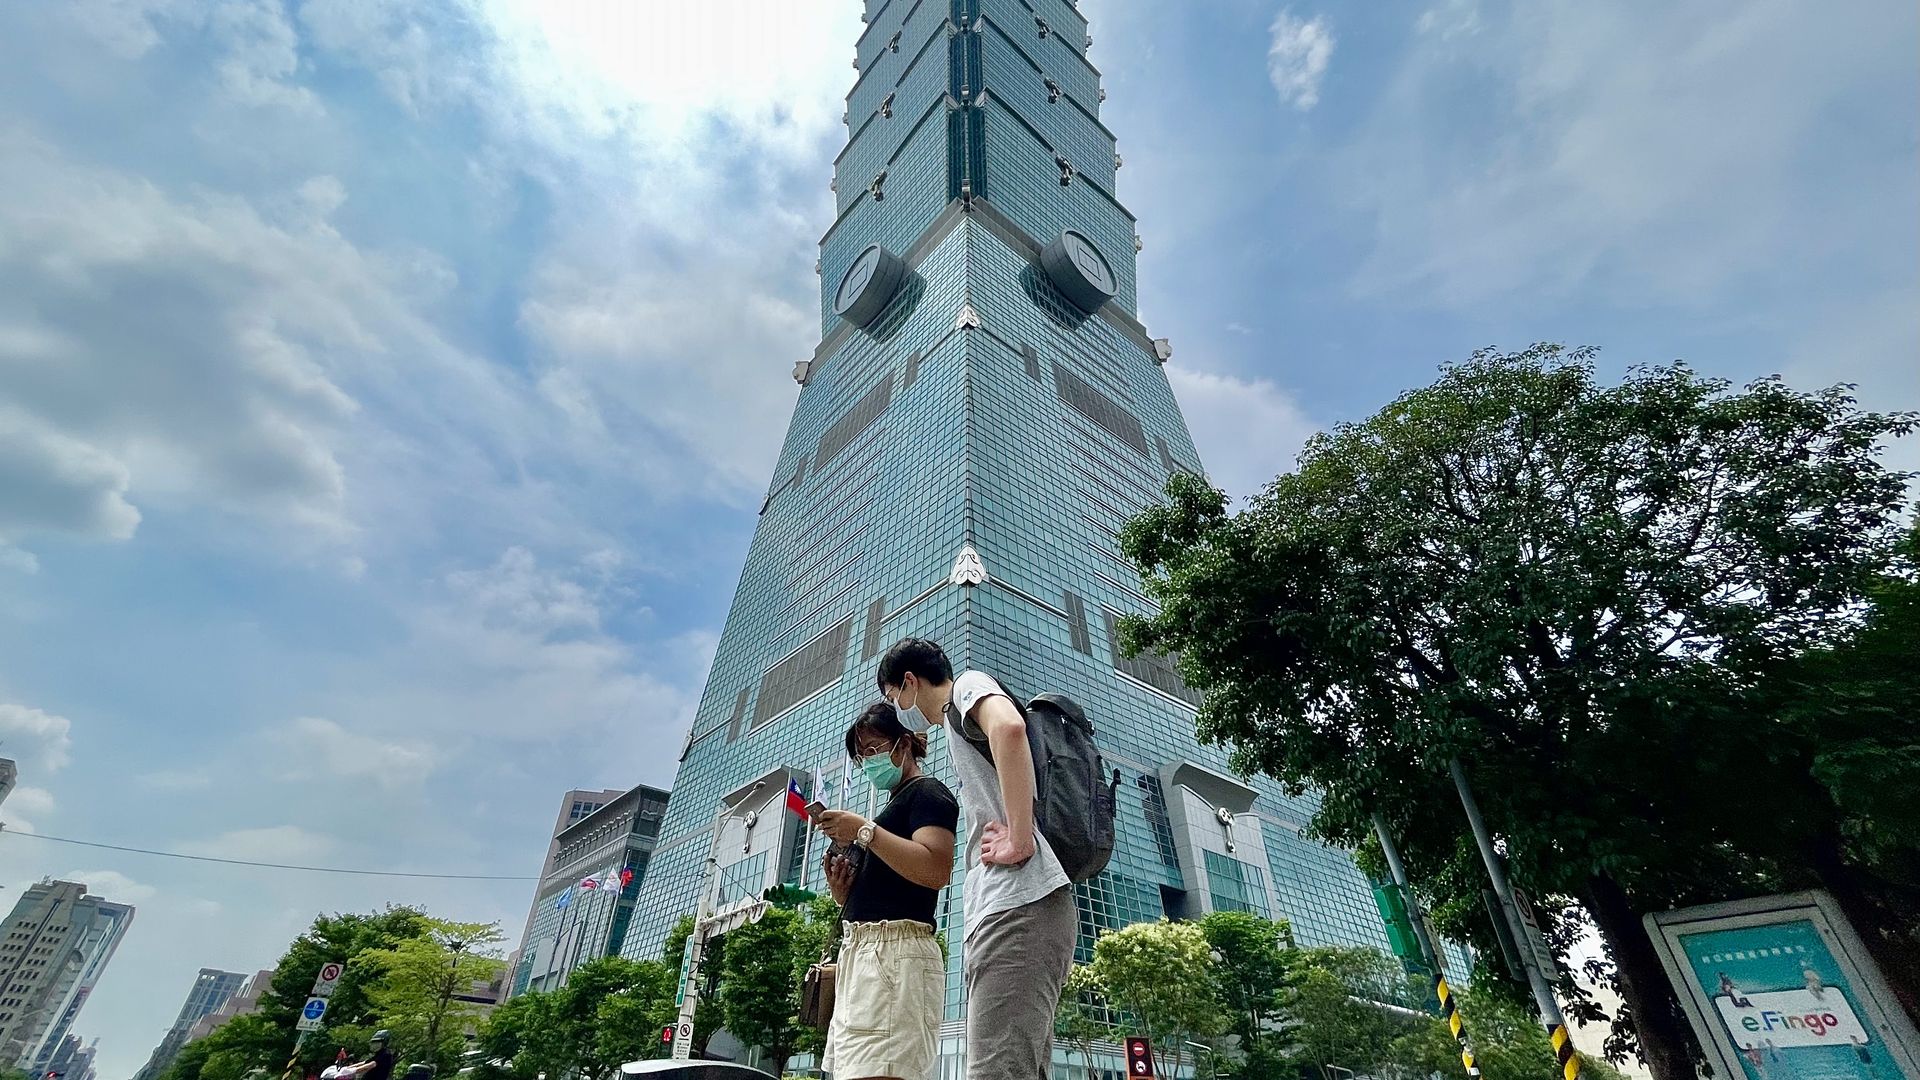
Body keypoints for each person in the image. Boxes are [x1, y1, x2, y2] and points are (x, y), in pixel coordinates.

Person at [875, 638, 1075, 1080]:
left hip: (1018, 904)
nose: (899, 709)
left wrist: (1020, 839)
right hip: (1019, 907)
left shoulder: (966, 686)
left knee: (995, 1071)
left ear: (910, 681)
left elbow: (1008, 727)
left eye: (894, 698)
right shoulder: (955, 722)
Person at [813, 701, 959, 1080]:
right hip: (865, 954)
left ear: (904, 743)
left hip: (894, 955)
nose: (868, 761)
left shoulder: (928, 793)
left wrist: (863, 830)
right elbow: (893, 887)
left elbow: (936, 869)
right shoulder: (892, 808)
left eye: (874, 748)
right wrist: (842, 891)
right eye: (862, 756)